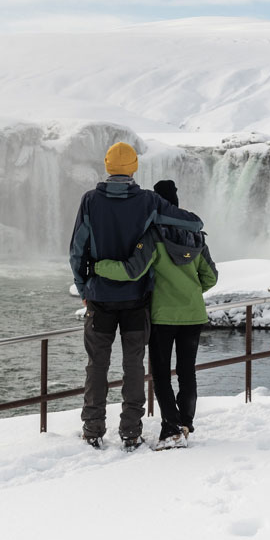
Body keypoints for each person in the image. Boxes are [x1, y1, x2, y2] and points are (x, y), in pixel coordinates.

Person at [69, 142, 202, 450]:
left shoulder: (90, 201)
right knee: (134, 366)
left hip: (99, 299)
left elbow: (77, 251)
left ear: (107, 166)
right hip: (136, 300)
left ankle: (93, 430)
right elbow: (194, 223)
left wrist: (84, 287)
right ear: (133, 168)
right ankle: (130, 432)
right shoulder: (148, 202)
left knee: (96, 365)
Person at [94, 178, 218, 447]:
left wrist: (98, 267)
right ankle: (184, 424)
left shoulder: (154, 236)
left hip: (163, 316)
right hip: (193, 315)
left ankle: (170, 429)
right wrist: (191, 291)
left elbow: (132, 270)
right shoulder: (196, 237)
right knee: (188, 373)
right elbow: (211, 278)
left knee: (161, 375)